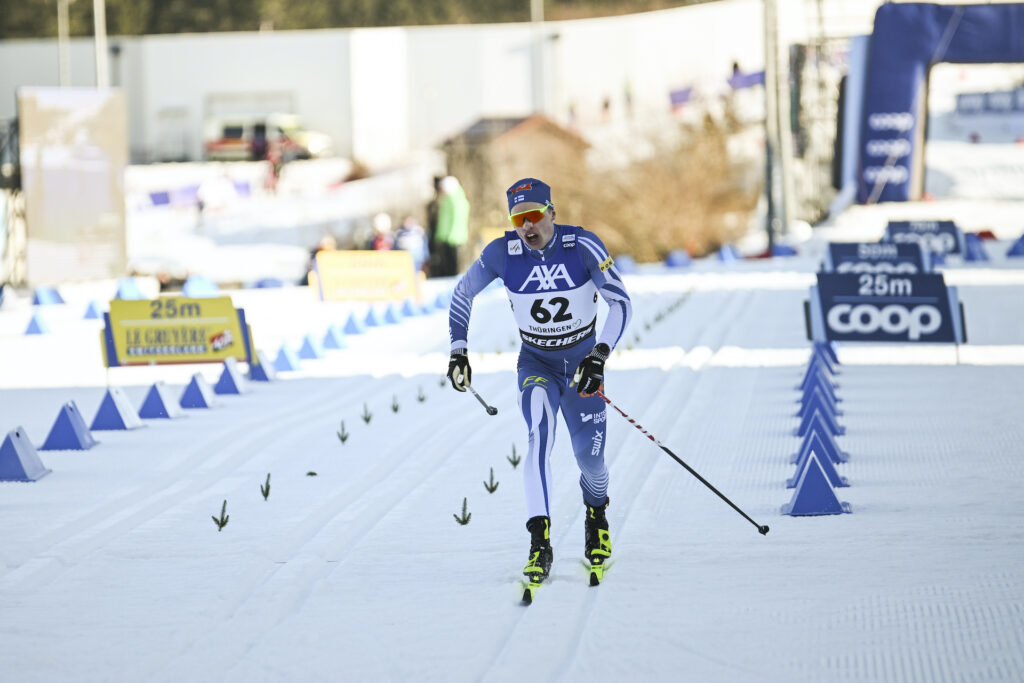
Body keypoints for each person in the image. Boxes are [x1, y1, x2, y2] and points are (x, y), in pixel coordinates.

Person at [446, 177, 633, 590]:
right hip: (537, 363)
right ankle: (539, 540)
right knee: (538, 437)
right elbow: (461, 295)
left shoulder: (581, 246)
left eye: (534, 215)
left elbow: (621, 302)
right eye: (518, 219)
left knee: (591, 461)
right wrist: (459, 350)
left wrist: (599, 355)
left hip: (582, 365)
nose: (528, 226)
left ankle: (596, 515)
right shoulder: (502, 253)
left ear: (552, 212)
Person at [434, 175, 470, 276]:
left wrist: (451, 235)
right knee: (446, 264)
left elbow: (456, 220)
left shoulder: (457, 201)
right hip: (445, 237)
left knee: (452, 264)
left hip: (453, 238)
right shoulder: (447, 200)